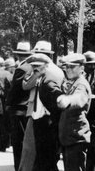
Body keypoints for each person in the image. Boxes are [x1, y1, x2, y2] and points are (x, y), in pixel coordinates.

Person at [19, 51, 64, 171]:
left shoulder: (49, 80)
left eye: (38, 66)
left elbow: (57, 104)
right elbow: (26, 85)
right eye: (33, 66)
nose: (35, 69)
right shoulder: (40, 77)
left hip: (46, 122)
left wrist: (51, 120)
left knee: (47, 160)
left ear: (46, 65)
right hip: (39, 120)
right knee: (41, 158)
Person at [57, 53, 92, 171]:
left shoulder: (81, 84)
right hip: (70, 138)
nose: (68, 69)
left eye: (72, 67)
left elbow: (79, 98)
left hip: (76, 138)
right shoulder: (74, 81)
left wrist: (68, 100)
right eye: (66, 67)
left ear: (82, 68)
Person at [6, 41, 33, 171]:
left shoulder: (22, 68)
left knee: (18, 143)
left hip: (18, 109)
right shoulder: (30, 66)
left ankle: (20, 168)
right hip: (26, 108)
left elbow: (14, 90)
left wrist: (8, 103)